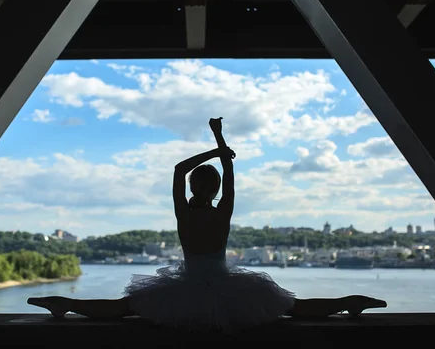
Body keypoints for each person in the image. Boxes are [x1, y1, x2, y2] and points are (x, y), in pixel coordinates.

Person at [27, 117, 387, 332]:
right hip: (225, 283)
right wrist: (220, 143)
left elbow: (179, 170)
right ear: (215, 189)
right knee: (292, 307)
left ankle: (63, 303)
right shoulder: (222, 210)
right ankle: (350, 301)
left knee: (124, 308)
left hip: (186, 285)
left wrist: (215, 149)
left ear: (192, 187)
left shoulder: (185, 211)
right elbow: (229, 174)